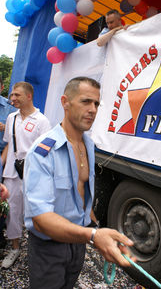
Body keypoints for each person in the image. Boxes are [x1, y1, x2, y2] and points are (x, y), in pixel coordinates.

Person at [23, 77, 135, 289]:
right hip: (49, 247)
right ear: (65, 102)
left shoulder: (89, 145)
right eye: (85, 101)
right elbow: (41, 219)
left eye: (96, 104)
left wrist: (99, 232)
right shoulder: (43, 152)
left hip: (78, 243)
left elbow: (81, 198)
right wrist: (94, 236)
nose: (92, 109)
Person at [1, 81, 51, 269]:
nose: (12, 98)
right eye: (12, 95)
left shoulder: (42, 121)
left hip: (34, 176)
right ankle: (14, 248)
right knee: (12, 212)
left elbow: (46, 152)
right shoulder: (12, 118)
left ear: (28, 96)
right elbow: (9, 146)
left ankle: (37, 251)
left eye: (16, 95)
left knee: (35, 214)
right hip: (12, 174)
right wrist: (0, 165)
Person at [0, 77, 16, 250]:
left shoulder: (10, 107)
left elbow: (15, 132)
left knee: (4, 196)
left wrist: (5, 127)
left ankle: (2, 231)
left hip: (4, 155)